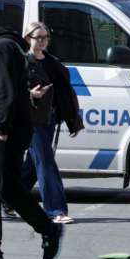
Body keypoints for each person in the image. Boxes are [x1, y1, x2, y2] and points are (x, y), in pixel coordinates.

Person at [0, 13, 65, 259]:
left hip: (5, 131)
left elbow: (6, 92)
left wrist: (1, 129)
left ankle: (48, 229)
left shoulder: (2, 49)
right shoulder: (10, 45)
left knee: (6, 187)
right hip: (0, 129)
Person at [19, 21, 84, 225]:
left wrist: (73, 122)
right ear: (28, 39)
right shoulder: (22, 62)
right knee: (46, 162)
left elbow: (65, 94)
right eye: (39, 37)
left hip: (51, 119)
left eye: (46, 37)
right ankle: (56, 210)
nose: (43, 41)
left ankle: (5, 198)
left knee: (33, 164)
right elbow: (11, 91)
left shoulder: (53, 62)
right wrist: (31, 95)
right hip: (30, 119)